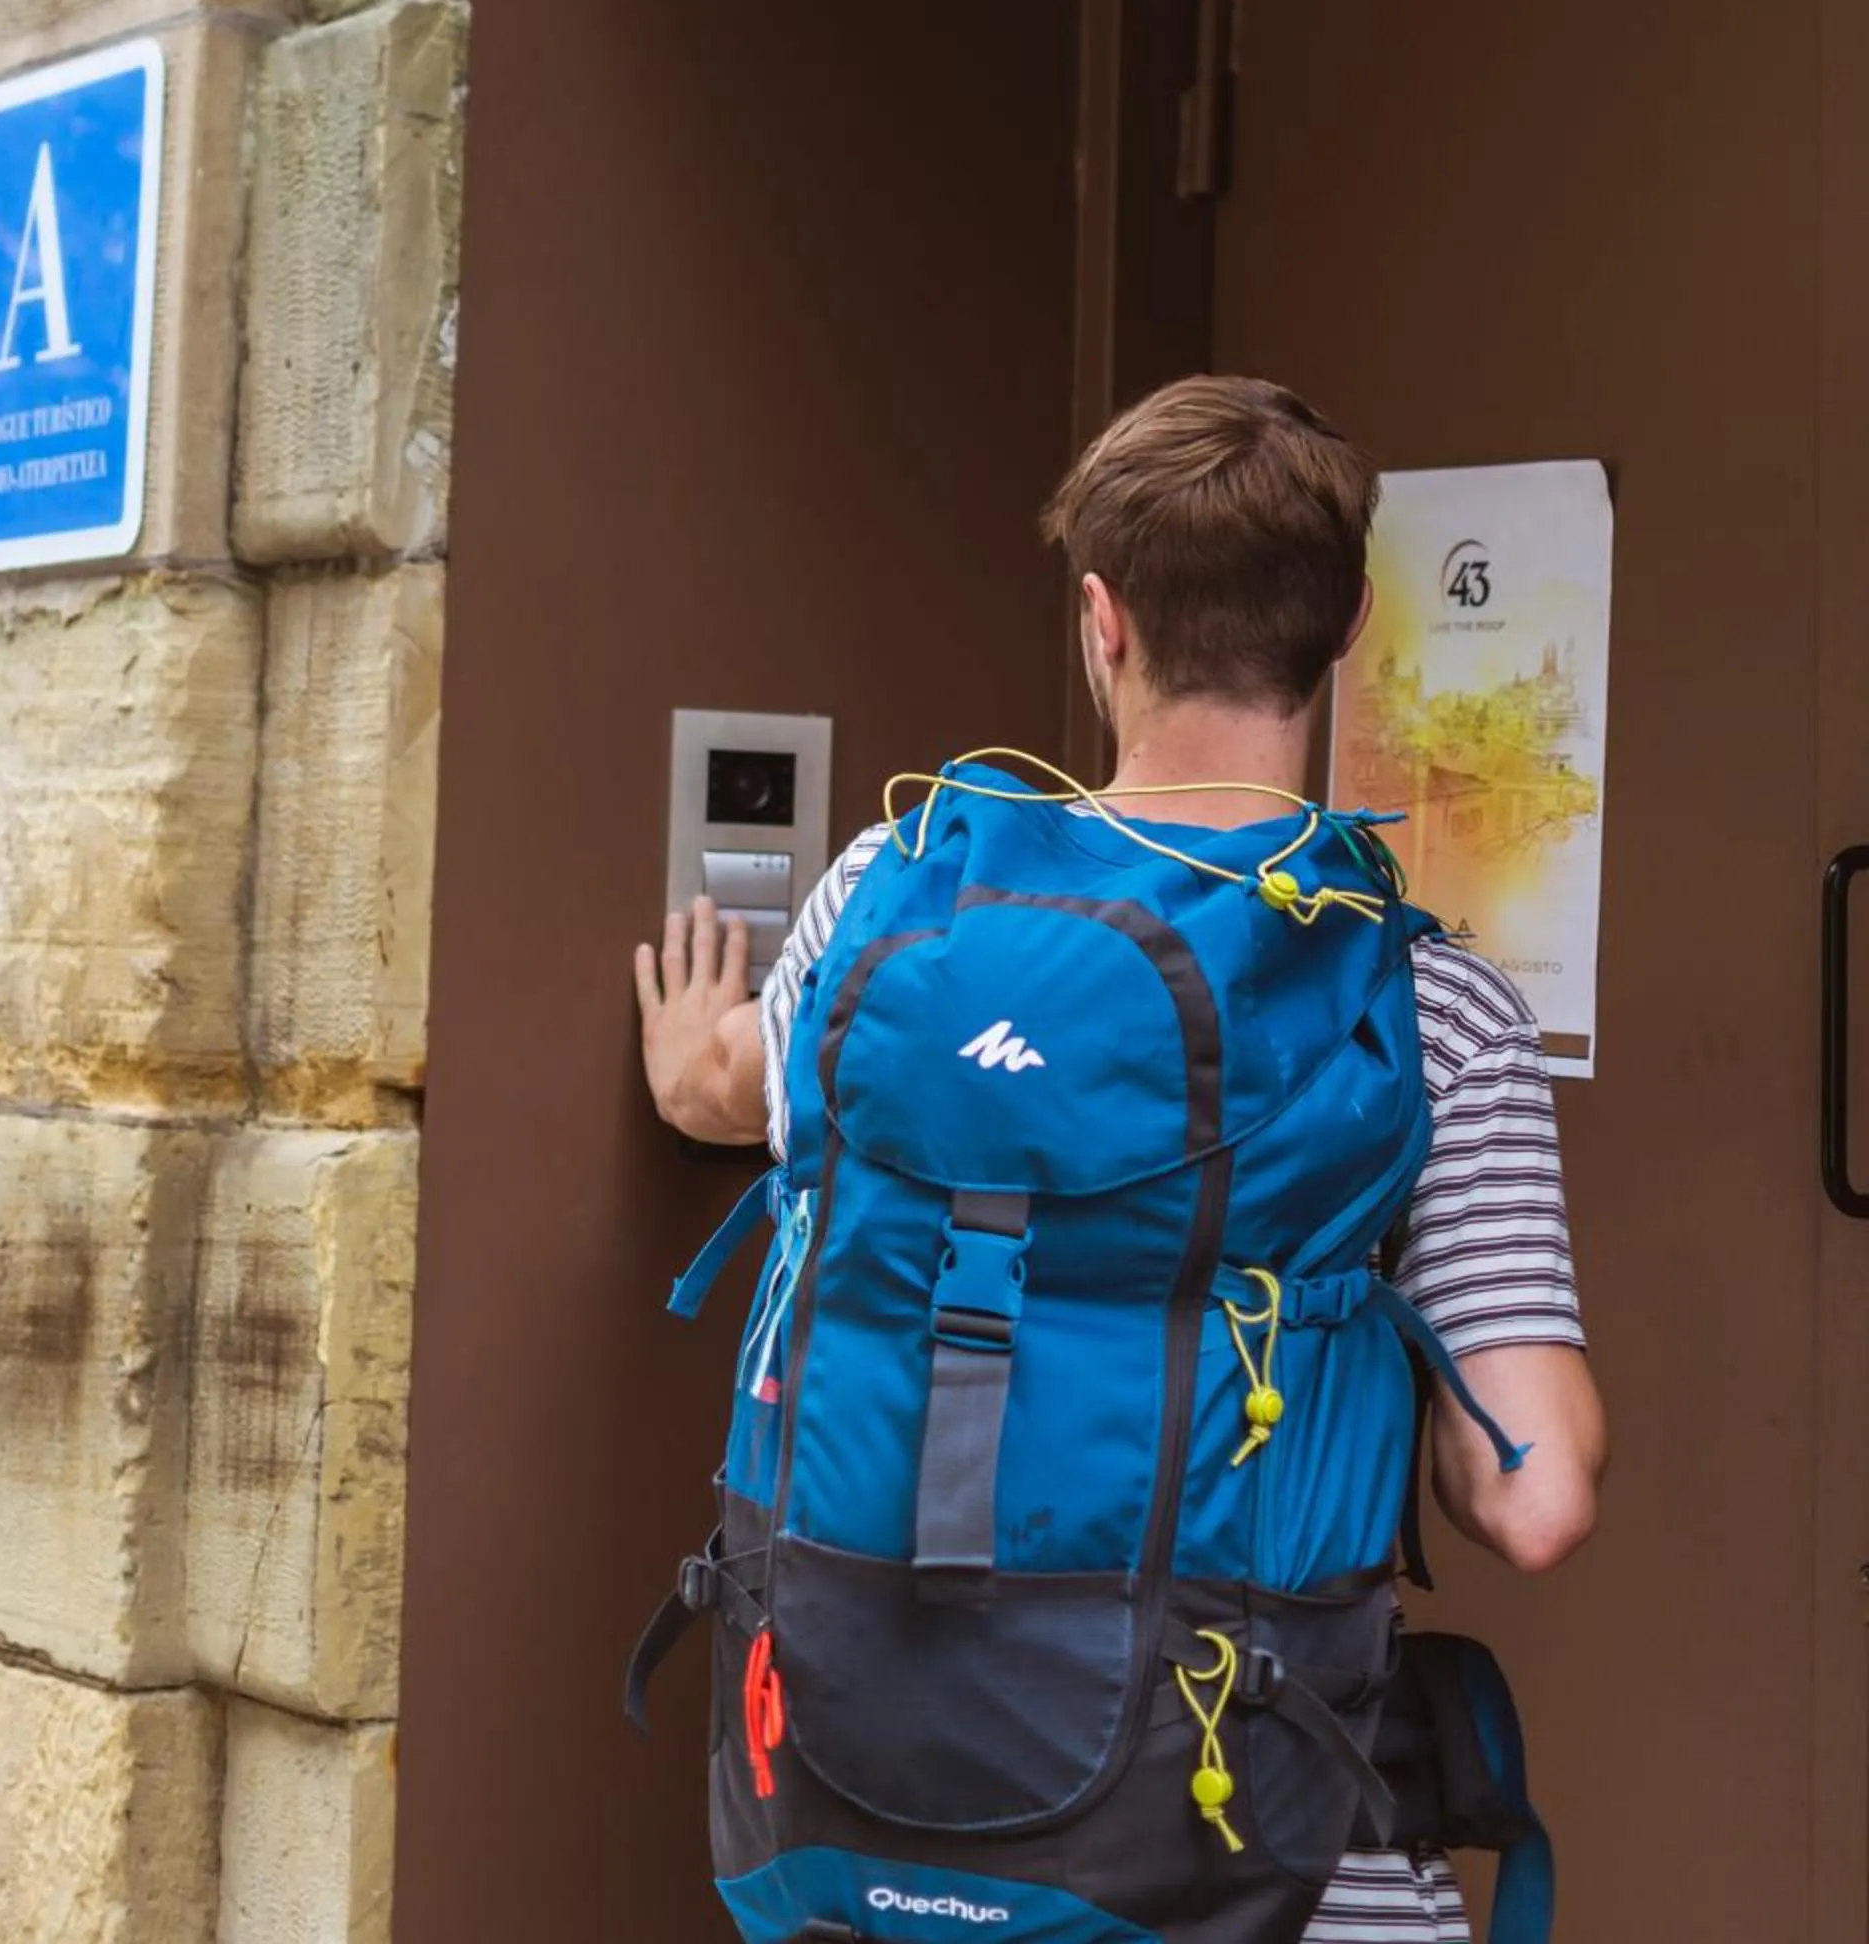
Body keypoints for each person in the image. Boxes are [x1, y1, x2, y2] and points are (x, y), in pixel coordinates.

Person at [637, 373, 1608, 1943]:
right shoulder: (1427, 1007)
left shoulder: (889, 892)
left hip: (850, 1819)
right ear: (1350, 624)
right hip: (1245, 1856)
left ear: (1101, 622)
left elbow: (728, 1091)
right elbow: (1535, 1501)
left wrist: (689, 1057)